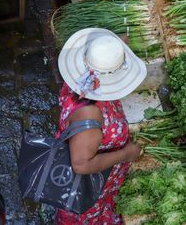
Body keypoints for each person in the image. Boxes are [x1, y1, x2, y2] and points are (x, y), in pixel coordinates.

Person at [55, 28, 147, 224]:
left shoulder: (82, 78)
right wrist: (126, 154)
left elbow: (101, 58)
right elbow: (81, 164)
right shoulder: (89, 116)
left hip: (102, 179)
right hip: (88, 188)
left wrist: (116, 50)